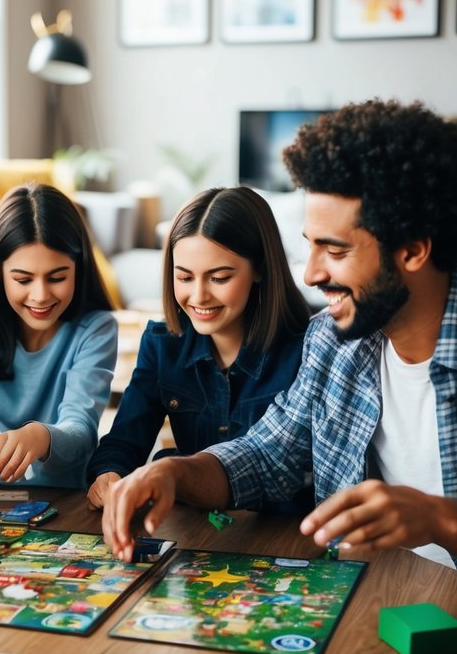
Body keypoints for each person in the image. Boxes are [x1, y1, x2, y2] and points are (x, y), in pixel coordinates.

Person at [103, 99, 457, 588]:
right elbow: (268, 455)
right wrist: (174, 474)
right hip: (358, 600)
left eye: (334, 250)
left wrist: (444, 521)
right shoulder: (332, 340)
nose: (312, 274)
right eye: (309, 244)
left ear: (414, 249)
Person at [86, 187, 310, 510]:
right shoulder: (162, 345)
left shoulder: (306, 351)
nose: (199, 296)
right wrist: (109, 473)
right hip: (196, 534)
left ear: (259, 268)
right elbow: (123, 441)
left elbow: (288, 476)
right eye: (185, 277)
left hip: (278, 538)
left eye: (218, 278)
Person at [0, 182, 117, 488]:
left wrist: (40, 437)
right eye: (23, 279)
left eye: (57, 277)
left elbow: (81, 432)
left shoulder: (96, 329)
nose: (40, 295)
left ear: (78, 268)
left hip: (61, 500)